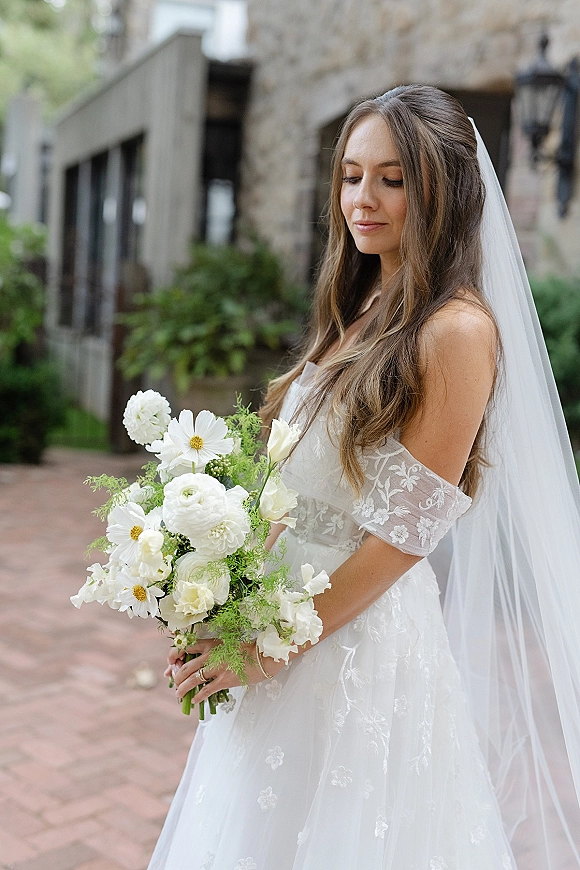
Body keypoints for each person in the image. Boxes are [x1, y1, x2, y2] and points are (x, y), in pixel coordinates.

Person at [148, 86, 580, 869]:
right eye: (351, 174)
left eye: (393, 178)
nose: (362, 199)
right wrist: (214, 581)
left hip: (354, 642)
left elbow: (407, 533)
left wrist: (273, 644)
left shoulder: (455, 330)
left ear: (442, 189)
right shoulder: (367, 299)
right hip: (288, 616)